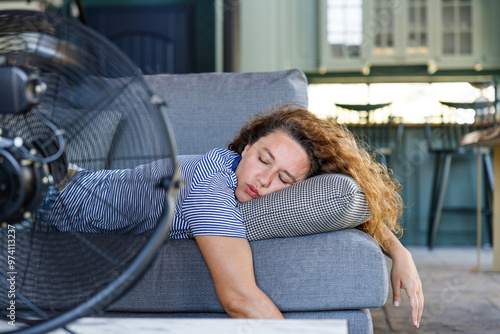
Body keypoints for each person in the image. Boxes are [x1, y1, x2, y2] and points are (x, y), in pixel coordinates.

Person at [47, 106, 423, 328]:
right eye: (263, 159)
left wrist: (398, 251)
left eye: (285, 179)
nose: (264, 180)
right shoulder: (209, 186)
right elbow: (240, 299)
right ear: (245, 147)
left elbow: (338, 200)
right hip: (49, 201)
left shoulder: (236, 182)